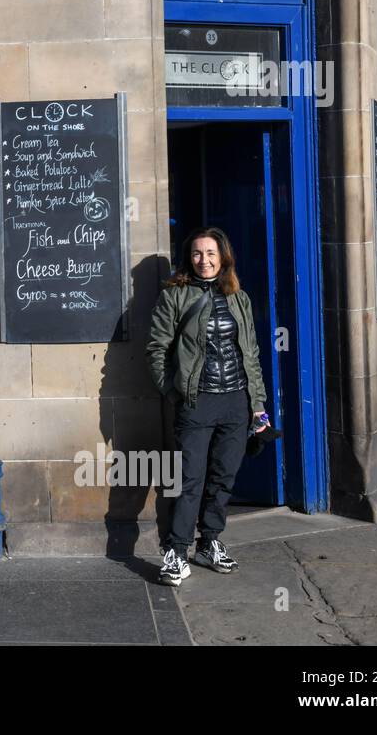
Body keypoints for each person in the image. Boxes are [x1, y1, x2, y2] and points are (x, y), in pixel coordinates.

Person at [147, 228, 270, 587]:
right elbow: (156, 350)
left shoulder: (239, 297)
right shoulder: (175, 296)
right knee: (190, 480)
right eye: (198, 253)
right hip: (196, 402)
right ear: (190, 258)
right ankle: (176, 549)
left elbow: (251, 354)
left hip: (236, 401)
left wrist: (257, 405)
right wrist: (174, 392)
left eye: (211, 253)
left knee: (223, 478)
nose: (205, 260)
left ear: (223, 256)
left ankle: (210, 542)